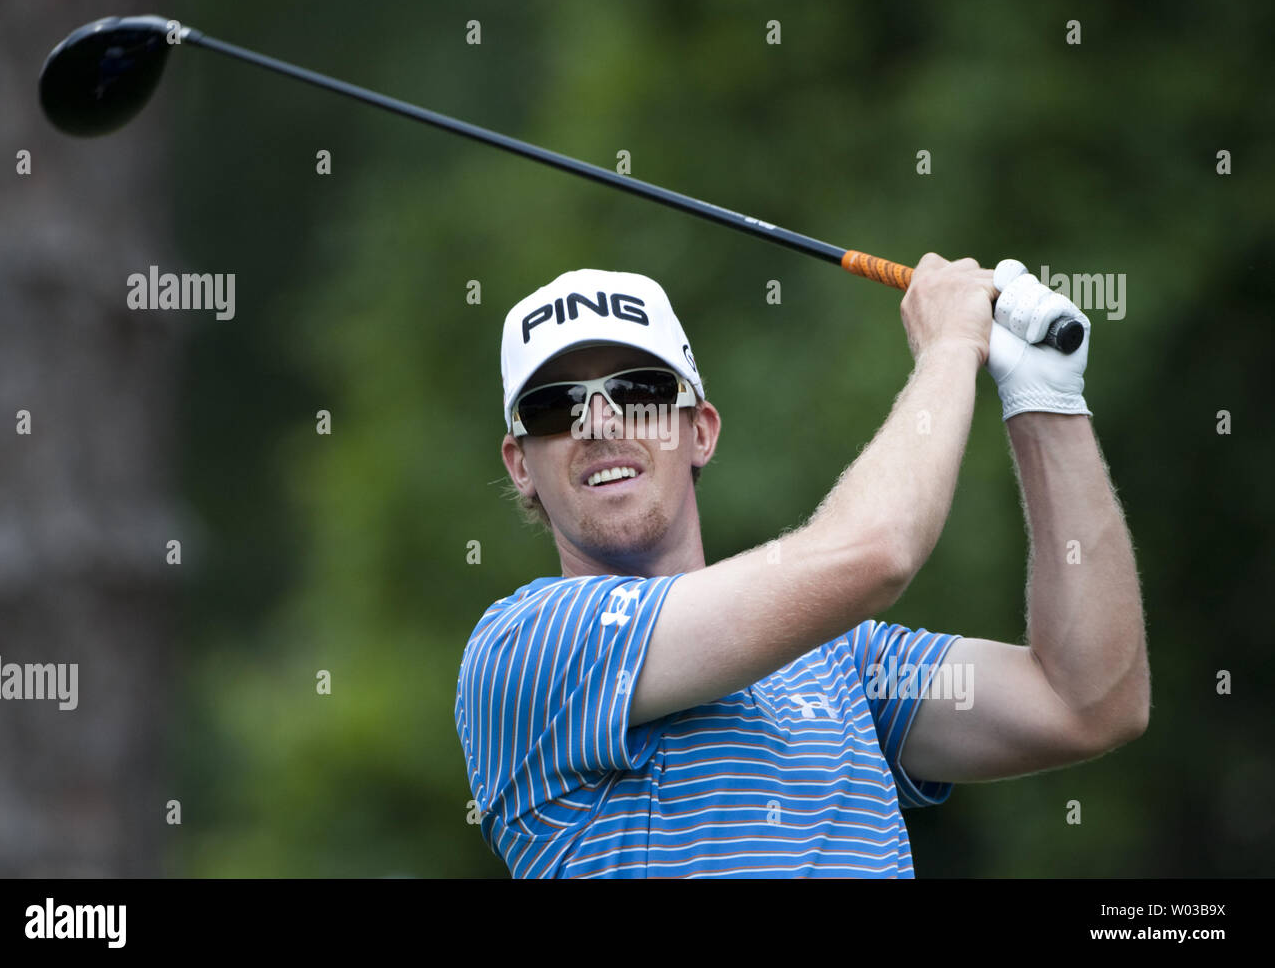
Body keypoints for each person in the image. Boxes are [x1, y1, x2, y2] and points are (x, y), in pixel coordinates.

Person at [454, 259, 1149, 878]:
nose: (600, 423)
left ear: (700, 431)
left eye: (637, 390)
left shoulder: (840, 657)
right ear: (521, 466)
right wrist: (950, 348)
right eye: (555, 407)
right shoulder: (523, 650)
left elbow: (1086, 702)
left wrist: (1048, 405)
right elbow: (877, 551)